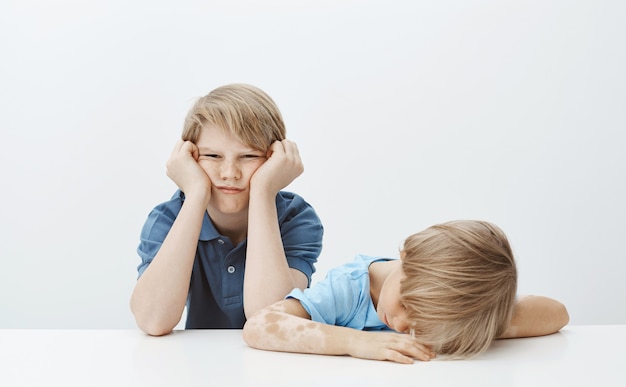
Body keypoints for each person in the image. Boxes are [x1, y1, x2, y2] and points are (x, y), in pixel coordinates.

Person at [132, 83, 324, 336]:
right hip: (196, 365)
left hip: (272, 364)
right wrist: (196, 195)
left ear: (274, 159)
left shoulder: (296, 218)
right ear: (189, 157)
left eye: (249, 156)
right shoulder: (168, 218)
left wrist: (263, 192)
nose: (230, 173)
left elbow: (270, 319)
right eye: (212, 156)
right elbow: (153, 321)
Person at [243, 220, 569, 364]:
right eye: (405, 304)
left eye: (420, 324)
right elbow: (260, 325)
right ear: (405, 255)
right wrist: (358, 342)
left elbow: (557, 313)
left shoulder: (457, 305)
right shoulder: (348, 287)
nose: (400, 325)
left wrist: (473, 325)